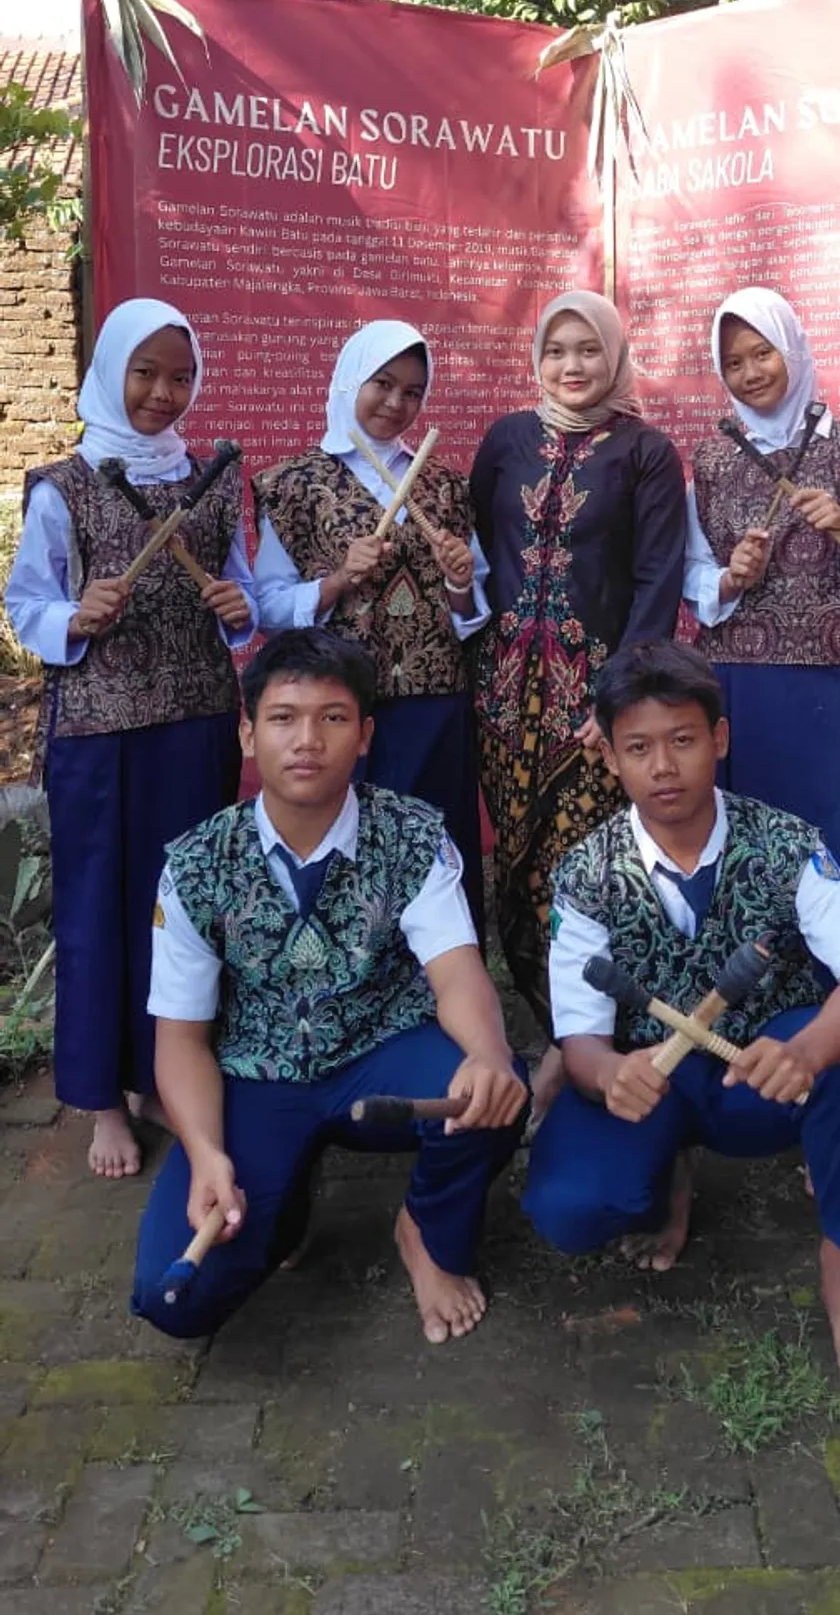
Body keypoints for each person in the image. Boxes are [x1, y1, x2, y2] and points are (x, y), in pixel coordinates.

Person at [130, 628, 528, 1345]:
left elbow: (458, 972)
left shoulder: (411, 834)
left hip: (384, 1056)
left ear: (365, 734)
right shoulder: (194, 865)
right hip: (258, 1075)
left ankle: (426, 1230)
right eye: (283, 717)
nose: (307, 739)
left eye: (332, 717)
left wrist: (489, 1053)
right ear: (248, 734)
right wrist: (206, 1150)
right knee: (173, 1300)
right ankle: (281, 1186)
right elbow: (181, 1039)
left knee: (493, 1093)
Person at [523, 640, 840, 1378]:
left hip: (761, 1073)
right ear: (609, 756)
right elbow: (581, 1040)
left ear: (719, 740)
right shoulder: (585, 872)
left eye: (684, 740)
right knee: (568, 1207)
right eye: (638, 746)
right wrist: (607, 1076)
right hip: (651, 1082)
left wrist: (810, 1050)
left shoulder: (787, 842)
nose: (663, 766)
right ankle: (668, 1175)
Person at [5, 298, 255, 1181]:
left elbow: (241, 587)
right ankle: (101, 1096)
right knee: (98, 910)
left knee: (182, 909)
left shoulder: (214, 476)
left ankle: (163, 1076)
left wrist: (238, 611)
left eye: (180, 375)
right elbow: (25, 602)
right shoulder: (65, 484)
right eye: (144, 373)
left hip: (195, 725)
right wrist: (73, 614)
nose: (162, 392)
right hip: (100, 736)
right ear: (111, 370)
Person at [470, 291, 687, 1044]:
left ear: (615, 355)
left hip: (593, 707)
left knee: (587, 872)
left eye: (588, 349)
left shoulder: (647, 452)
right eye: (557, 349)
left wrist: (620, 698)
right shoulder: (505, 440)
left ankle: (606, 1037)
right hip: (502, 702)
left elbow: (659, 579)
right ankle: (548, 1029)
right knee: (517, 864)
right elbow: (476, 552)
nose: (572, 365)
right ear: (537, 357)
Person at [253, 320, 488, 931]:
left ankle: (444, 997)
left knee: (436, 851)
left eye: (413, 392)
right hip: (337, 707)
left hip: (432, 705)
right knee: (347, 855)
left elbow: (470, 609)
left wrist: (460, 581)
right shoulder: (293, 483)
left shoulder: (443, 483)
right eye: (382, 384)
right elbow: (267, 604)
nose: (396, 404)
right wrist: (336, 580)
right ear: (351, 379)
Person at [684, 288, 840, 909]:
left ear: (791, 348)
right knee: (745, 851)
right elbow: (693, 571)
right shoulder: (709, 457)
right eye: (733, 363)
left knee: (829, 847)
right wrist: (731, 577)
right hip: (738, 689)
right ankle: (748, 1001)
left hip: (831, 687)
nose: (751, 373)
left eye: (763, 353)